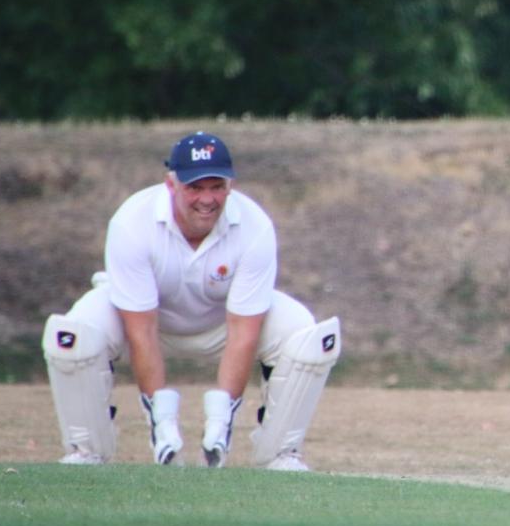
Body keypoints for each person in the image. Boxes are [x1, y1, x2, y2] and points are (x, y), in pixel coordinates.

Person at [42, 132, 341, 471]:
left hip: (220, 326)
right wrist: (161, 418)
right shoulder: (132, 223)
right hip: (139, 322)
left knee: (304, 334)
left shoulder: (254, 226)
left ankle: (281, 455)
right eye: (195, 187)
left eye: (216, 187)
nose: (207, 199)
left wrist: (221, 420)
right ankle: (87, 450)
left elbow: (243, 332)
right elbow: (142, 330)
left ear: (230, 185)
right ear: (171, 185)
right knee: (75, 333)